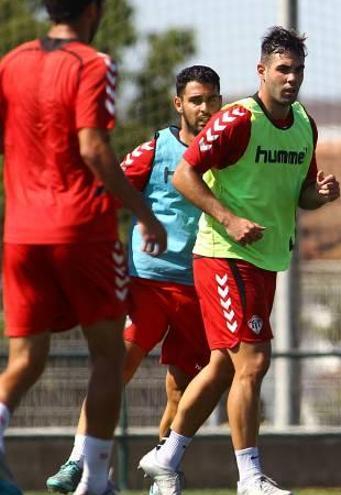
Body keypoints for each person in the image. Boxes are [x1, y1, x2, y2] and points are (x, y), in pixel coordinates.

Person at [137, 26, 340, 495]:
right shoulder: (237, 121)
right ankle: (249, 477)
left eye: (298, 70)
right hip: (224, 256)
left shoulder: (306, 124)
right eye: (283, 69)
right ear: (262, 71)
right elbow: (185, 176)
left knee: (224, 367)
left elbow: (302, 194)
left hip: (265, 261)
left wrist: (321, 195)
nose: (291, 78)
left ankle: (165, 457)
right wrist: (228, 219)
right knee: (254, 361)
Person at [0, 1, 167, 494]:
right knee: (108, 356)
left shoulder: (11, 62)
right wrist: (142, 213)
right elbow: (94, 146)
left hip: (21, 232)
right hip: (80, 231)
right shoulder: (94, 64)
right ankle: (93, 480)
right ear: (93, 10)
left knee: (26, 360)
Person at [44, 65, 221, 494]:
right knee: (114, 368)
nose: (204, 108)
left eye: (211, 99)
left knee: (181, 389)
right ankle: (78, 462)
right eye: (195, 100)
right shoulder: (156, 148)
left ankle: (164, 472)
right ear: (179, 104)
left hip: (198, 285)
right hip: (147, 282)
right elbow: (109, 190)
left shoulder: (225, 152)